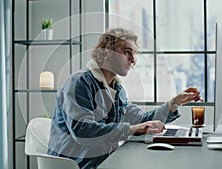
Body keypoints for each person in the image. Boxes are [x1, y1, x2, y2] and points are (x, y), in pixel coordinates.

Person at [47, 27, 203, 169]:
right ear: (108, 52)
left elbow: (140, 119)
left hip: (103, 160)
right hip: (78, 164)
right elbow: (83, 131)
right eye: (127, 52)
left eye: (134, 54)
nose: (133, 60)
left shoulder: (117, 88)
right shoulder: (79, 83)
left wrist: (174, 102)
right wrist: (132, 129)